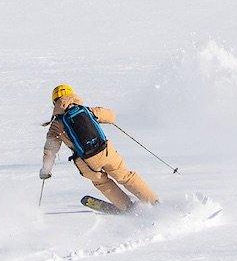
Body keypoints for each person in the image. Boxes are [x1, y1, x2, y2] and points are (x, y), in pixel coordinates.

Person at [40, 84, 160, 214]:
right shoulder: (87, 110)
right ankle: (154, 202)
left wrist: (46, 170)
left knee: (102, 183)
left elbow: (50, 150)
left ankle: (128, 208)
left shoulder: (56, 125)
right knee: (126, 177)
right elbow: (111, 116)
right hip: (106, 151)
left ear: (54, 102)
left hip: (86, 161)